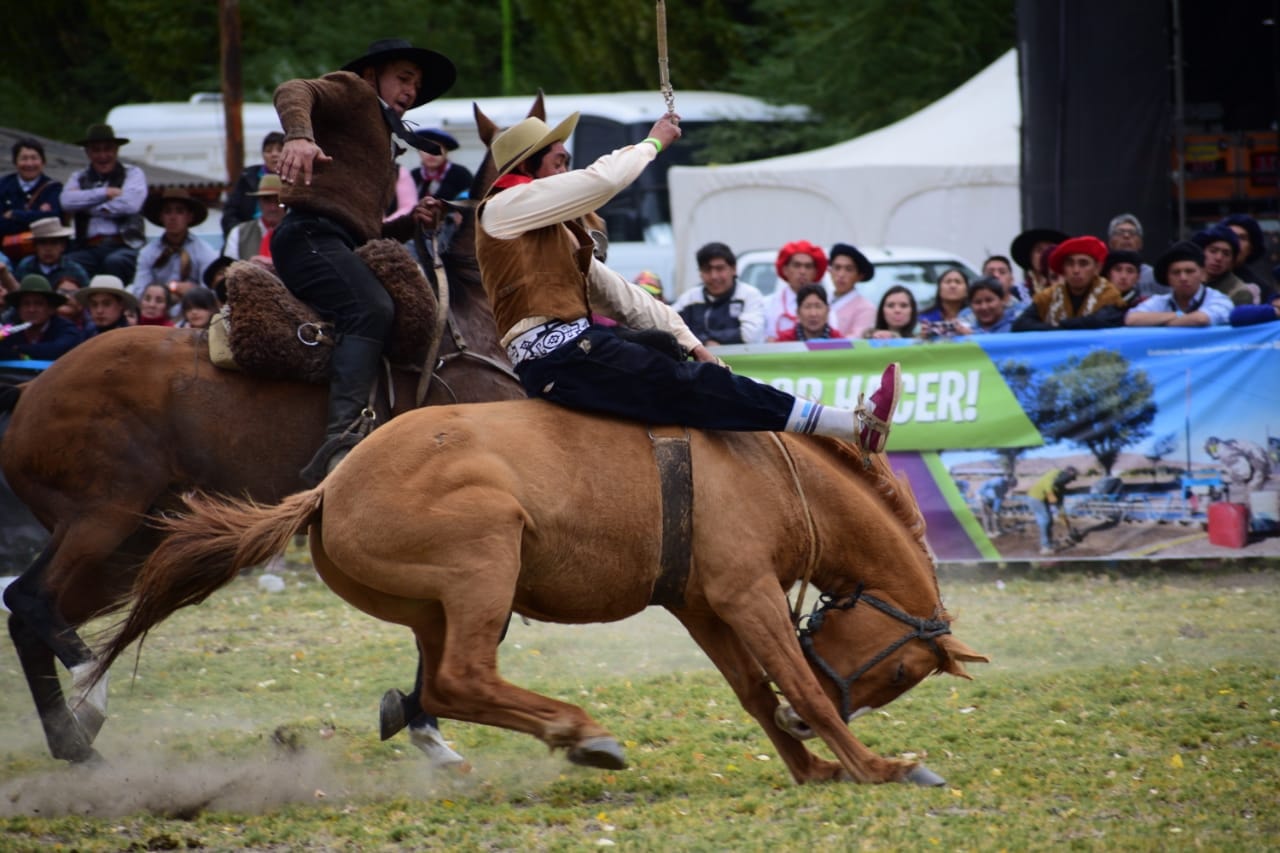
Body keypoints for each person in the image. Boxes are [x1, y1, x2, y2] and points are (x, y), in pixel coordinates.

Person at [475, 109, 902, 455]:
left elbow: (627, 298)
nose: (570, 170)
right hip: (559, 355)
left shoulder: (559, 234)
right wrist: (652, 142)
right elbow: (602, 181)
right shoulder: (501, 209)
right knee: (695, 385)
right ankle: (849, 425)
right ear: (527, 168)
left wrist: (694, 345)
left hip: (572, 349)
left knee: (667, 347)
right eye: (560, 162)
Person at [271, 38, 457, 484]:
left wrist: (412, 221)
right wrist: (298, 135)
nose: (411, 91)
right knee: (371, 308)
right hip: (310, 235)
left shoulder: (382, 134)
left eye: (417, 85)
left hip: (333, 239)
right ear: (374, 76)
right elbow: (293, 90)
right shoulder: (355, 91)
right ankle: (344, 438)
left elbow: (366, 231)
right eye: (404, 78)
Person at [61, 124, 147, 282]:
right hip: (87, 247)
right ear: (88, 153)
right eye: (96, 150)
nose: (103, 155)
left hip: (125, 245)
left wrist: (89, 207)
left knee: (115, 262)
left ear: (116, 151)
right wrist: (105, 193)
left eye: (107, 149)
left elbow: (130, 204)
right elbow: (66, 201)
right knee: (67, 264)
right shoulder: (78, 177)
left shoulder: (133, 173)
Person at [1012, 236, 1127, 331]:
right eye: (1070, 264)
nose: (1076, 270)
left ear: (1097, 268)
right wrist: (1055, 329)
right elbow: (1020, 325)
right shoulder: (1049, 296)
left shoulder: (1109, 294)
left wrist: (1063, 325)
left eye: (1083, 264)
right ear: (1063, 269)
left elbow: (1102, 320)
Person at [133, 188, 220, 303]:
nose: (173, 217)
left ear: (189, 217)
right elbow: (140, 290)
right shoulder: (148, 252)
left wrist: (193, 290)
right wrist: (165, 292)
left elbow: (211, 291)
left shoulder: (205, 251)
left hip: (192, 308)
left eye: (179, 211)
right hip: (158, 308)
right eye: (167, 211)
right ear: (161, 217)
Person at [669, 241, 765, 345]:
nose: (714, 276)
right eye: (707, 270)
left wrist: (706, 339)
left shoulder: (749, 295)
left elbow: (750, 335)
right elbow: (668, 328)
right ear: (700, 273)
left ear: (734, 269)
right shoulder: (689, 299)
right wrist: (705, 341)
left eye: (720, 269)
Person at [1125, 241, 1234, 327]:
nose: (1183, 278)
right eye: (1176, 272)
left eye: (1189, 271)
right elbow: (1131, 319)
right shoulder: (1161, 301)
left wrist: (1158, 322)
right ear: (1168, 278)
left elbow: (1201, 319)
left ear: (1203, 274)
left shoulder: (1219, 299)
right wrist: (1178, 315)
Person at [0, 274, 82, 361]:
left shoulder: (67, 329)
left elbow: (58, 349)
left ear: (51, 309)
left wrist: (18, 349)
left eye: (38, 303)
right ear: (19, 309)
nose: (31, 309)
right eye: (26, 304)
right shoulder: (10, 330)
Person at [221, 131, 285, 237]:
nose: (274, 154)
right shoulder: (247, 177)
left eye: (280, 150)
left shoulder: (299, 179)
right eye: (268, 151)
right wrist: (240, 235)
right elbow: (230, 213)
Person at [763, 240, 827, 341]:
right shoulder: (767, 304)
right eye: (797, 265)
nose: (802, 271)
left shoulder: (826, 305)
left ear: (816, 272)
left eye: (808, 266)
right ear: (785, 270)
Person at [0, 138, 62, 238]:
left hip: (40, 249)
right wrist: (34, 217)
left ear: (43, 162)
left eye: (34, 158)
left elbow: (53, 218)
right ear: (15, 162)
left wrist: (15, 214)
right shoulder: (3, 185)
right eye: (24, 159)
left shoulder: (53, 188)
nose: (29, 164)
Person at [12, 218, 89, 291]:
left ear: (63, 246)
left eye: (54, 243)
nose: (48, 249)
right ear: (35, 247)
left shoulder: (75, 271)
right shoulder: (25, 267)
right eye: (43, 243)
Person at [224, 174, 285, 266]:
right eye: (267, 200)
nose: (273, 208)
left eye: (278, 201)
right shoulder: (238, 233)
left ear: (287, 203)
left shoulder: (299, 233)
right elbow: (229, 271)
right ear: (259, 202)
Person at [1191, 225, 1256, 307]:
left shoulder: (1240, 292)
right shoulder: (1188, 281)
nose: (1219, 258)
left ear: (1232, 260)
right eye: (1213, 251)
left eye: (1226, 254)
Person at [410, 128, 474, 202]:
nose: (431, 154)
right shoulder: (413, 176)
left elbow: (470, 201)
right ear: (418, 152)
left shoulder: (462, 174)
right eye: (426, 148)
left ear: (446, 152)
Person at [1220, 213, 1275, 297]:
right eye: (1230, 235)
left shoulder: (1261, 289)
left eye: (1242, 238)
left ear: (1251, 248)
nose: (1235, 242)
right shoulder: (1199, 277)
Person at [827, 242, 876, 338]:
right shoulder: (821, 300)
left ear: (859, 276)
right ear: (830, 271)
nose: (841, 274)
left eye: (848, 269)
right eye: (837, 268)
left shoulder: (866, 308)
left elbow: (855, 341)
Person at [1027, 466, 1077, 555]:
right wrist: (1053, 501)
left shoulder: (1060, 487)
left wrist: (1066, 523)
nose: (1069, 481)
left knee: (1048, 521)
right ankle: (1045, 547)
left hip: (1039, 499)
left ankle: (1048, 543)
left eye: (1071, 480)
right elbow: (1048, 487)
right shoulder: (1055, 473)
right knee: (1046, 520)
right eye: (1070, 478)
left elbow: (1060, 508)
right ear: (1068, 473)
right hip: (1036, 497)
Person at [1105, 213, 1158, 294]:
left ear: (1140, 243)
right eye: (1120, 232)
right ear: (1110, 242)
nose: (1126, 236)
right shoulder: (1100, 273)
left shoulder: (1154, 276)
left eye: (1132, 232)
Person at [774, 283, 843, 342]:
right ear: (798, 312)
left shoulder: (839, 341)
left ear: (827, 311)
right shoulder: (784, 341)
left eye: (818, 306)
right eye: (807, 307)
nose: (813, 314)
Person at [1009, 227, 1067, 297]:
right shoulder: (1016, 293)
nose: (1044, 255)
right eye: (1039, 250)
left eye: (1049, 250)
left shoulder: (1070, 289)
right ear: (1030, 256)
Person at [74, 274, 137, 338]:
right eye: (94, 304)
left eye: (107, 304)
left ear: (121, 305)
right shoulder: (86, 334)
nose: (99, 310)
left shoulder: (129, 336)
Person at [918, 268, 972, 338]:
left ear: (966, 291)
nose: (953, 286)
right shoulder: (924, 318)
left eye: (958, 282)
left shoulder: (974, 316)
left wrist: (971, 335)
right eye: (948, 282)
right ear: (939, 290)